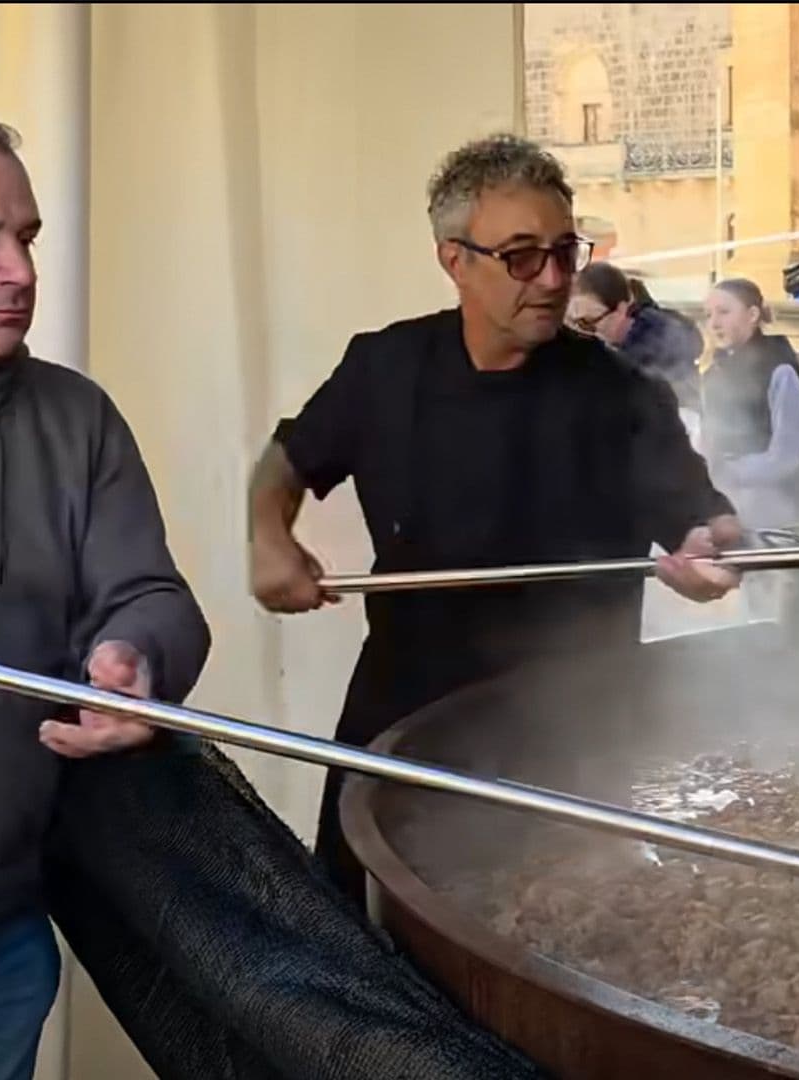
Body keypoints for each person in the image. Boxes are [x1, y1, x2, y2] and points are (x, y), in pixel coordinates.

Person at [247, 134, 741, 905]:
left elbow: (705, 521)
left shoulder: (620, 393)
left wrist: (707, 553)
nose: (551, 280)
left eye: (564, 252)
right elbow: (287, 459)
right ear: (454, 259)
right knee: (360, 935)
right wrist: (269, 536)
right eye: (520, 257)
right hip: (405, 724)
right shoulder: (385, 368)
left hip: (573, 741)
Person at [0, 102, 211, 1080]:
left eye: (23, 237)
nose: (20, 270)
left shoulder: (76, 420)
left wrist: (137, 658)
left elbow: (152, 594)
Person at [700, 277, 799, 529]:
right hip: (723, 504)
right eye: (709, 315)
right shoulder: (715, 372)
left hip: (771, 508)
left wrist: (727, 472)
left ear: (752, 314)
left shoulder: (779, 369)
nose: (714, 323)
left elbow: (787, 456)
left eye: (724, 312)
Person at [570, 260, 706, 437]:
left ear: (621, 309)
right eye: (578, 323)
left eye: (590, 322)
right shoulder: (616, 349)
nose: (586, 331)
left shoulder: (656, 347)